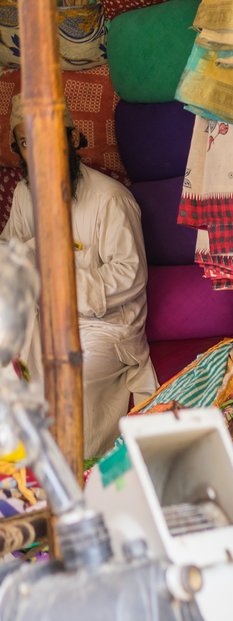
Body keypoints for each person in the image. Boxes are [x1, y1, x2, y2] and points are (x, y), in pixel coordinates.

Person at [2, 94, 155, 459]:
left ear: (72, 138)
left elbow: (129, 275)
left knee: (69, 381)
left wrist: (60, 288)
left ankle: (81, 474)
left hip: (104, 326)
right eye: (27, 142)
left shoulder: (111, 199)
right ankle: (25, 482)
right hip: (39, 322)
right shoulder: (25, 194)